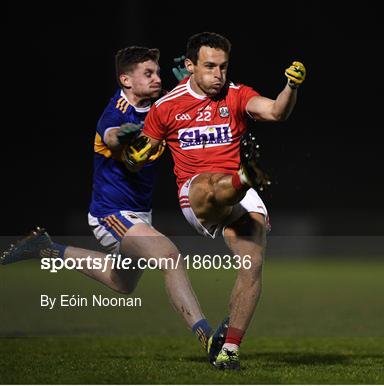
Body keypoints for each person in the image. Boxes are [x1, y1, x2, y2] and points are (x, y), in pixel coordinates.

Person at [0, 46, 227, 364]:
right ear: (125, 80)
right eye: (148, 73)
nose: (156, 78)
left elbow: (190, 106)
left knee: (122, 283)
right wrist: (124, 135)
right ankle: (207, 338)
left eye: (157, 72)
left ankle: (47, 248)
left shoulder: (158, 105)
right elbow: (110, 135)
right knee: (170, 257)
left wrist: (192, 85)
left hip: (137, 214)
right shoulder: (116, 111)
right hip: (111, 214)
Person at [123, 32, 306, 370]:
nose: (218, 75)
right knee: (209, 184)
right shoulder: (166, 107)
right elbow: (139, 156)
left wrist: (290, 87)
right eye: (209, 66)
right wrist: (135, 156)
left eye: (223, 67)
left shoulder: (236, 95)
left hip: (240, 194)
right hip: (197, 195)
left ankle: (229, 351)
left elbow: (277, 112)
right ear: (190, 66)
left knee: (252, 262)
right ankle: (243, 178)